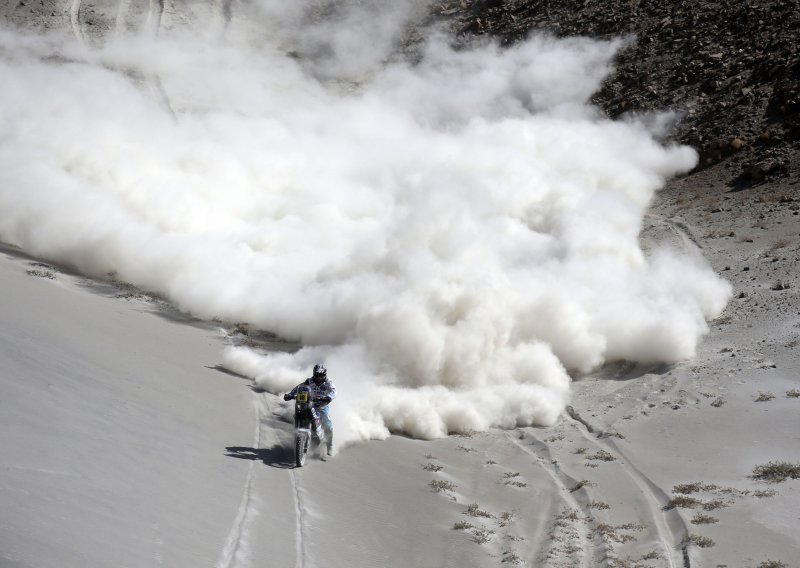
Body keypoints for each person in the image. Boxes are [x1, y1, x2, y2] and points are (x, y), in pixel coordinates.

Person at [284, 364, 336, 456]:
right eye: (316, 376)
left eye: (320, 376)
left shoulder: (329, 382)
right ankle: (299, 433)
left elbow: (334, 391)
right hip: (310, 403)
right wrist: (290, 394)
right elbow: (298, 388)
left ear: (324, 375)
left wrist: (328, 397)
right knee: (299, 412)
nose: (318, 378)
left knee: (328, 425)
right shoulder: (309, 381)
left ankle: (330, 446)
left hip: (322, 406)